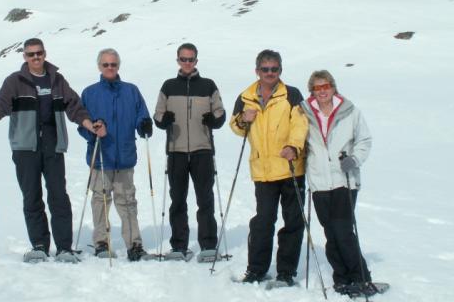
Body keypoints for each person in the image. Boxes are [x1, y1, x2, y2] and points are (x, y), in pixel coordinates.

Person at [0, 38, 103, 263]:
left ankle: (64, 247)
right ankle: (39, 245)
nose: (35, 57)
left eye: (39, 53)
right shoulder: (15, 81)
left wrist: (89, 124)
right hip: (25, 147)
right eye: (31, 54)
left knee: (59, 196)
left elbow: (74, 106)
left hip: (53, 145)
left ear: (45, 53)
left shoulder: (56, 80)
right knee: (32, 196)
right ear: (25, 57)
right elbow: (2, 104)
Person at [229, 49, 308, 286]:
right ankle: (256, 270)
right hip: (263, 170)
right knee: (263, 222)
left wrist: (294, 147)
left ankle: (286, 272)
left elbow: (301, 124)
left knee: (293, 222)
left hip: (290, 167)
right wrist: (243, 119)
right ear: (257, 71)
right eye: (265, 69)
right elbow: (236, 127)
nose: (270, 73)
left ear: (280, 70)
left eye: (274, 69)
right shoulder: (246, 96)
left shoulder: (291, 94)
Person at [300, 70, 375, 296]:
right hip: (319, 182)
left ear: (333, 87)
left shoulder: (350, 111)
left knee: (343, 231)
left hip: (344, 180)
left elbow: (364, 139)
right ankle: (341, 278)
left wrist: (354, 159)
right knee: (331, 233)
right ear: (312, 91)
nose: (322, 91)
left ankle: (360, 277)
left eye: (326, 86)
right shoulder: (304, 112)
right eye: (317, 88)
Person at [78, 48, 154, 262]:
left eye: (113, 64)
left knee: (127, 201)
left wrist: (144, 125)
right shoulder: (90, 93)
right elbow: (81, 124)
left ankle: (134, 244)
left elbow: (141, 115)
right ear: (99, 66)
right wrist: (93, 130)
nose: (110, 68)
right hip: (100, 155)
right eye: (106, 64)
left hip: (124, 157)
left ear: (118, 66)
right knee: (100, 200)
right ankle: (101, 242)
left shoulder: (131, 91)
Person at [153, 42, 226, 262]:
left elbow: (220, 112)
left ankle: (208, 245)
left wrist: (215, 120)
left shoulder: (208, 85)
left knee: (205, 199)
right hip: (176, 150)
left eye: (190, 59)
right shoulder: (168, 86)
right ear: (178, 60)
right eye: (183, 59)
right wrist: (163, 120)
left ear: (196, 60)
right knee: (177, 200)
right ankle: (179, 246)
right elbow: (158, 114)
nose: (187, 62)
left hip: (202, 150)